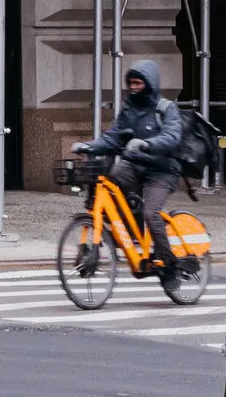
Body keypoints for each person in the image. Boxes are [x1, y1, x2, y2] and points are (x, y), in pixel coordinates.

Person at [75, 59, 185, 277]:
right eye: (131, 83)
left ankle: (170, 265)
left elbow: (173, 137)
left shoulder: (166, 108)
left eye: (138, 83)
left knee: (151, 213)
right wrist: (89, 146)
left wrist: (147, 143)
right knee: (112, 179)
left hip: (162, 171)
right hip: (135, 166)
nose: (134, 87)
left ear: (150, 83)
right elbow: (114, 138)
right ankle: (123, 231)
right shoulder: (129, 109)